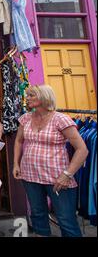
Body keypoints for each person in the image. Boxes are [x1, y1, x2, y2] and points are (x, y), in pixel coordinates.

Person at [13, 85, 88, 237]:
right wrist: (16, 163)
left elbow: (82, 149)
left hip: (58, 178)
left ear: (44, 97)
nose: (27, 98)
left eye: (31, 95)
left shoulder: (60, 119)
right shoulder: (26, 118)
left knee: (66, 220)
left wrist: (67, 174)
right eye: (28, 95)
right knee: (38, 215)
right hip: (30, 175)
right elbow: (19, 141)